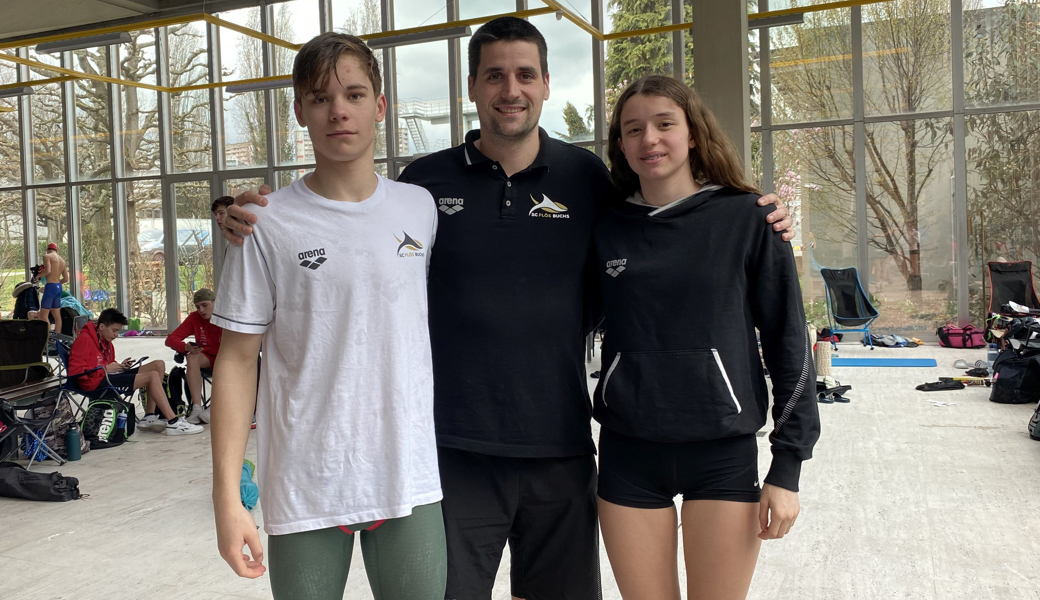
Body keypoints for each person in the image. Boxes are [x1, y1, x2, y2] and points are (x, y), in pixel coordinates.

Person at [221, 17, 794, 599]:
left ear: (546, 83)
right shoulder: (423, 186)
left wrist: (752, 211)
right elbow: (352, 225)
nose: (510, 89)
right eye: (494, 76)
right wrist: (238, 212)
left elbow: (661, 221)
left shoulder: (587, 178)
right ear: (472, 88)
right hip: (453, 453)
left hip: (562, 446)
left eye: (525, 74)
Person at [209, 32, 445, 600]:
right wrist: (227, 499)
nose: (339, 111)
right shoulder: (263, 223)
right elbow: (237, 363)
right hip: (306, 480)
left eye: (355, 95)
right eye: (320, 98)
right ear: (300, 112)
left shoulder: (421, 206)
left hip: (407, 475)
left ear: (380, 106)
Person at [592, 75, 820, 600]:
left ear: (693, 133)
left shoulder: (750, 218)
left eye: (664, 124)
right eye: (633, 129)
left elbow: (789, 343)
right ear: (621, 146)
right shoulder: (605, 229)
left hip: (721, 451)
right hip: (629, 453)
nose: (649, 138)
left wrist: (787, 467)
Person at [68, 308, 203, 437]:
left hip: (107, 376)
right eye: (114, 331)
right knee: (152, 376)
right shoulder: (85, 339)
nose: (116, 335)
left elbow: (104, 363)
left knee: (158, 365)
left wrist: (120, 366)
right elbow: (75, 372)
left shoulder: (105, 341)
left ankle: (149, 416)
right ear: (102, 326)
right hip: (95, 384)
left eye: (118, 331)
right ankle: (173, 422)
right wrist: (106, 369)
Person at [165, 288, 222, 424]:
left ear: (215, 302)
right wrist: (185, 347)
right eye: (198, 307)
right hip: (208, 357)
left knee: (226, 360)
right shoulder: (194, 318)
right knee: (191, 356)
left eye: (205, 305)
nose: (201, 310)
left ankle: (216, 407)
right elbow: (170, 339)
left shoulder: (224, 316)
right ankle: (197, 407)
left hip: (226, 357)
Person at [36, 242, 68, 334]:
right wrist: (57, 284)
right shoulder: (62, 260)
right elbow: (66, 279)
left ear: (47, 249)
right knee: (57, 315)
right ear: (56, 250)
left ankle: (48, 337)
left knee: (43, 315)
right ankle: (57, 339)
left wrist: (37, 276)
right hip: (58, 287)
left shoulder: (47, 256)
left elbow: (48, 270)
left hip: (50, 286)